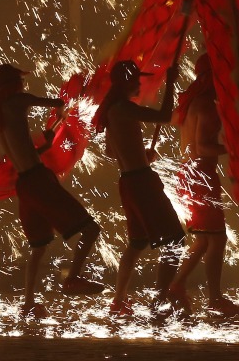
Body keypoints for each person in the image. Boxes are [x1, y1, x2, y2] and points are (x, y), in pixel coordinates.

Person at [0, 63, 103, 320]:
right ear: (13, 83)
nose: (23, 84)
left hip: (25, 183)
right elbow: (56, 101)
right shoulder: (16, 100)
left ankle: (28, 303)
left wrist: (45, 144)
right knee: (91, 228)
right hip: (38, 181)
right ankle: (73, 279)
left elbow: (21, 155)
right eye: (20, 80)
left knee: (39, 246)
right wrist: (80, 91)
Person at [95, 59, 186, 317]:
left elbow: (111, 151)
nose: (140, 83)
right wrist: (171, 83)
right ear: (127, 82)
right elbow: (165, 116)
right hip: (143, 183)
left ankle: (118, 300)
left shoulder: (112, 110)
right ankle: (160, 301)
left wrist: (141, 154)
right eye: (136, 79)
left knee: (136, 243)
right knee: (175, 241)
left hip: (128, 181)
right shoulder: (123, 108)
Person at [166, 54, 239, 315]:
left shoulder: (190, 104)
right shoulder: (207, 105)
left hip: (190, 174)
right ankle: (214, 298)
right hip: (201, 176)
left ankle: (177, 286)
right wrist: (234, 150)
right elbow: (202, 146)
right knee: (216, 239)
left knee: (204, 240)